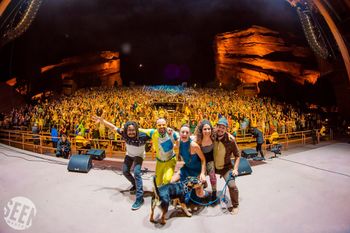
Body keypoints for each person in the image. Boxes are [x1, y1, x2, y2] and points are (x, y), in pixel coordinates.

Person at [94, 116, 151, 210]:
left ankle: (140, 199)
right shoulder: (124, 133)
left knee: (137, 173)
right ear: (126, 130)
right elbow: (113, 127)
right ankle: (135, 184)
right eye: (129, 130)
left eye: (133, 130)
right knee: (125, 171)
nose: (131, 132)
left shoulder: (143, 136)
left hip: (139, 156)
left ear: (136, 130)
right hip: (129, 154)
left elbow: (156, 134)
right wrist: (102, 121)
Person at [139, 118, 179, 186]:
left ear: (167, 125)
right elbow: (141, 130)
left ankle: (165, 194)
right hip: (160, 162)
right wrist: (126, 127)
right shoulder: (153, 132)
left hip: (170, 161)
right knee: (158, 182)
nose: (161, 126)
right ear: (156, 126)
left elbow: (180, 137)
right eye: (159, 125)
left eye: (163, 125)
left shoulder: (172, 132)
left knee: (167, 180)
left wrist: (176, 144)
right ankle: (158, 195)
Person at [213, 117, 240, 215]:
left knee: (232, 186)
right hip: (212, 166)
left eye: (223, 128)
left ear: (226, 129)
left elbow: (237, 155)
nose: (220, 129)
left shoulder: (231, 140)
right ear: (216, 127)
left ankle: (235, 205)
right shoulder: (212, 135)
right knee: (197, 175)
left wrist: (236, 169)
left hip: (226, 168)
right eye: (219, 127)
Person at [171, 124, 206, 197]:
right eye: (183, 132)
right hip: (186, 168)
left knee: (200, 195)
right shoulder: (178, 142)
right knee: (171, 182)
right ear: (179, 133)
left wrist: (202, 173)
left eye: (187, 132)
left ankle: (204, 187)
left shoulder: (194, 146)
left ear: (190, 134)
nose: (184, 134)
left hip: (197, 170)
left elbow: (203, 159)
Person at [194, 120, 218, 202]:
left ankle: (214, 192)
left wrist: (230, 135)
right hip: (200, 161)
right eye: (205, 129)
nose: (207, 131)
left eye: (208, 129)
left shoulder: (214, 137)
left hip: (210, 160)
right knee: (199, 178)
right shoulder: (198, 140)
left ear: (211, 129)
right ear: (201, 130)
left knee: (212, 176)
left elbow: (224, 133)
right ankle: (200, 191)